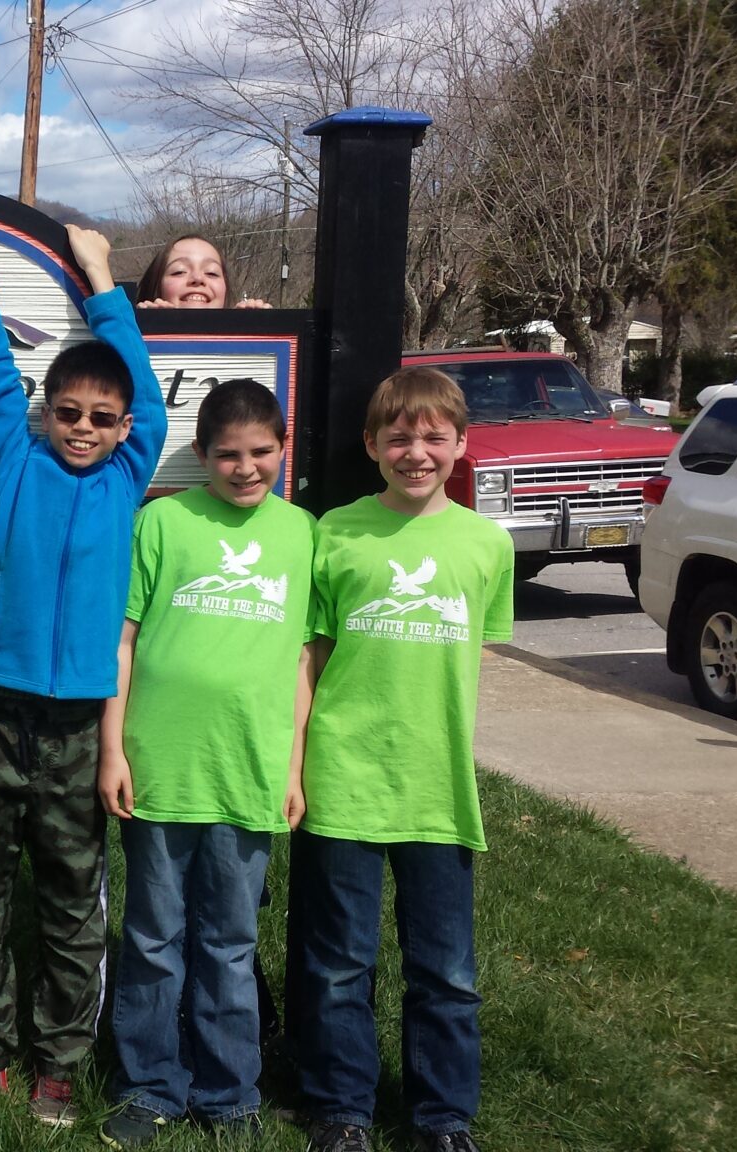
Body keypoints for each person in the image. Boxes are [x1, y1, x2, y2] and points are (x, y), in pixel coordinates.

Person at [0, 174, 168, 1128]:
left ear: (123, 431)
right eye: (68, 412)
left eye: (101, 419)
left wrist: (101, 277)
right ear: (46, 412)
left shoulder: (126, 477)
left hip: (77, 726)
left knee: (73, 901)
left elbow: (146, 392)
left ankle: (60, 1060)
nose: (83, 429)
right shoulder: (16, 456)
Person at [288, 366, 513, 1152]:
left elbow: (474, 657)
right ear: (371, 444)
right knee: (338, 964)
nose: (416, 452)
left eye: (433, 437)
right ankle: (340, 1109)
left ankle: (442, 1117)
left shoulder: (487, 544)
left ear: (460, 443)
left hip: (437, 786)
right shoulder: (334, 533)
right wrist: (295, 764)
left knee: (445, 969)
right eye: (399, 437)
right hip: (343, 774)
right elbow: (309, 657)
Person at [99, 379, 316, 1146]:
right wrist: (112, 749)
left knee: (229, 943)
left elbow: (303, 659)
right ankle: (149, 1087)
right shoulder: (162, 521)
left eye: (261, 452)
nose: (245, 467)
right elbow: (121, 641)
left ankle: (230, 1094)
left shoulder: (303, 534)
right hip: (159, 769)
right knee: (153, 939)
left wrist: (292, 767)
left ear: (284, 447)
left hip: (248, 771)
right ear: (201, 454)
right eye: (228, 455)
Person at [135, 235, 271, 309]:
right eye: (179, 271)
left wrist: (261, 328)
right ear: (155, 285)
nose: (197, 278)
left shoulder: (250, 340)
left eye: (211, 273)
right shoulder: (130, 340)